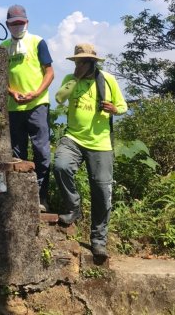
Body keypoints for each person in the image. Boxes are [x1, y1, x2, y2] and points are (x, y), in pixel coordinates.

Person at [54, 43, 128, 261]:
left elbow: (123, 106)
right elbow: (59, 98)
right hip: (74, 137)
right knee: (60, 166)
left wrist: (115, 109)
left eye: (85, 61)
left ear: (93, 62)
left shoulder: (108, 80)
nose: (82, 64)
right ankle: (73, 206)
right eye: (79, 61)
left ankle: (99, 242)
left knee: (102, 194)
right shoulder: (70, 79)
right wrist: (76, 78)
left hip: (101, 143)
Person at [1, 5, 54, 212]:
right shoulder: (3, 47)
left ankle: (41, 197)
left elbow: (49, 72)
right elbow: (0, 76)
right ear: (7, 25)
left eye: (20, 23)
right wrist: (11, 92)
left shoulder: (37, 41)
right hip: (14, 107)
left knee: (41, 152)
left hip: (37, 105)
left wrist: (36, 93)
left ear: (27, 23)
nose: (17, 26)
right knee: (17, 153)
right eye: (13, 23)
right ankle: (21, 196)